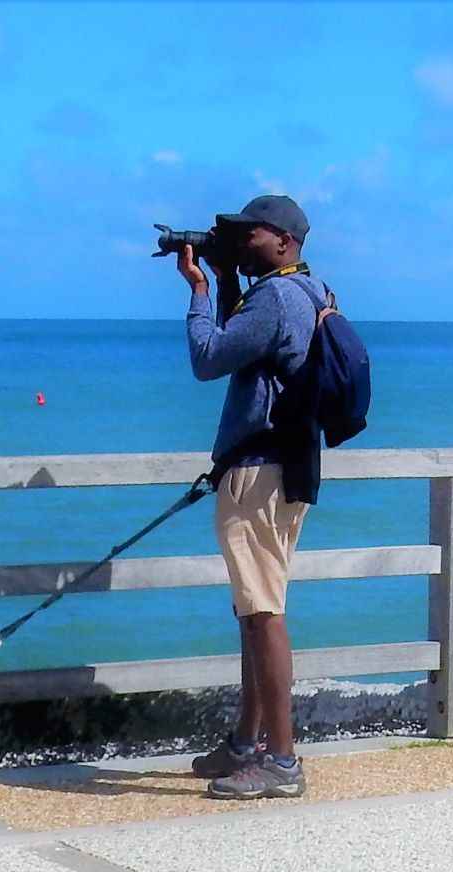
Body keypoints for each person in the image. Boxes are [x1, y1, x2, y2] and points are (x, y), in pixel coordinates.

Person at [174, 194, 336, 800]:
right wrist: (224, 283)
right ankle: (246, 743)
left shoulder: (275, 297)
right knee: (253, 608)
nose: (241, 242)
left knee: (263, 611)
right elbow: (244, 347)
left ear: (284, 241)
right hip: (286, 465)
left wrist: (198, 292)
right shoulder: (309, 290)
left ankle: (282, 762)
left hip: (258, 471)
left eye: (252, 233)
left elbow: (208, 357)